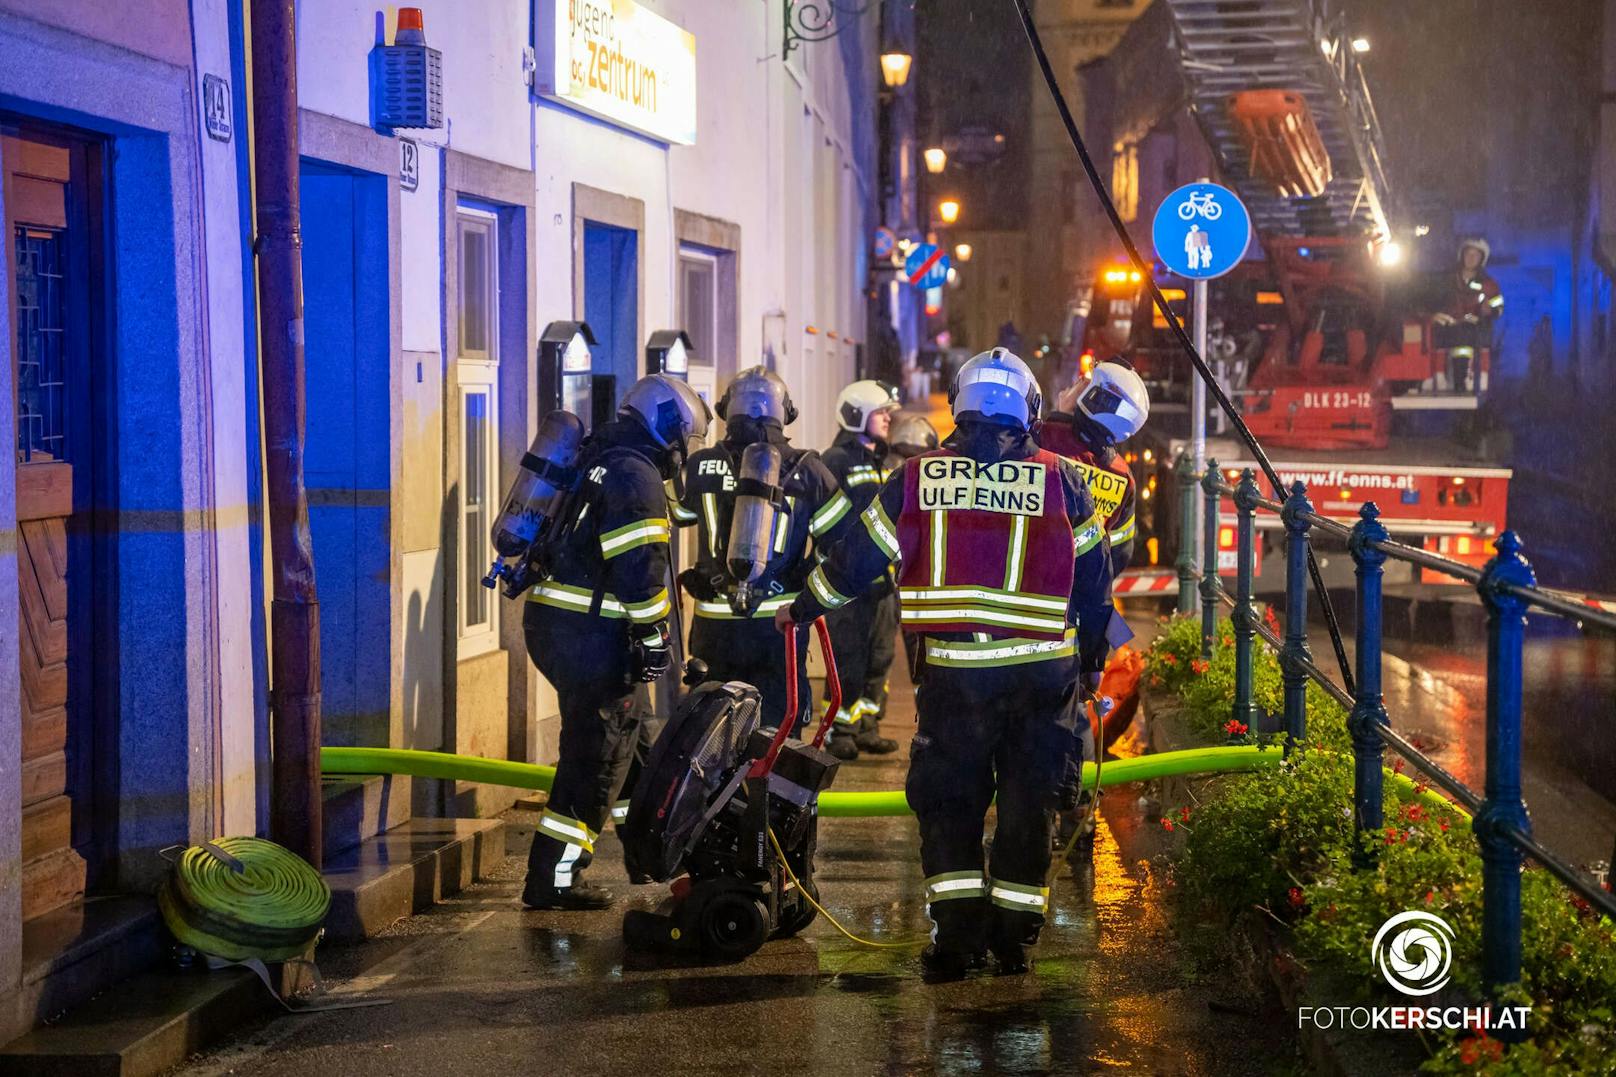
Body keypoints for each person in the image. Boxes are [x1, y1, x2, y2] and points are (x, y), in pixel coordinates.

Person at [778, 348, 1116, 980]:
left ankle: (957, 942)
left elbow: (859, 557)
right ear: (1030, 410)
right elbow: (1095, 586)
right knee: (1029, 804)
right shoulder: (1063, 480)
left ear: (960, 408)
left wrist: (801, 607)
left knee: (950, 802)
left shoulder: (915, 478)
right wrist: (1096, 662)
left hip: (956, 675)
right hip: (1045, 679)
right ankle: (1014, 941)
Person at [521, 374, 711, 910]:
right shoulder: (635, 474)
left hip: (560, 625)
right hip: (593, 634)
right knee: (598, 757)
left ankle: (650, 854)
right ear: (666, 424)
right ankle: (554, 878)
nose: (683, 450)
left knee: (638, 748)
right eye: (684, 436)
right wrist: (655, 635)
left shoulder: (599, 455)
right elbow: (639, 569)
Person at [676, 367, 854, 732]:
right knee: (777, 731)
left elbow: (677, 513)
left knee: (710, 729)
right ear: (785, 413)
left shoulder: (700, 465)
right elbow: (841, 544)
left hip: (714, 626)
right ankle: (767, 788)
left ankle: (718, 790)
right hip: (779, 625)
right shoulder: (810, 470)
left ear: (727, 411)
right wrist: (805, 580)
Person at [820, 380, 903, 760]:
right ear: (857, 416)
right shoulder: (836, 460)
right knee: (847, 658)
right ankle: (840, 731)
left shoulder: (881, 460)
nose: (888, 418)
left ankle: (868, 725)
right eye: (880, 412)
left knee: (880, 657)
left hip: (882, 583)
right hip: (849, 584)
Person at [1033, 358, 1149, 574]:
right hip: (1081, 597)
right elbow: (1119, 553)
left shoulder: (1039, 441)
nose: (1076, 382)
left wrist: (1060, 417)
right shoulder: (1122, 475)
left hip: (1031, 584)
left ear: (1093, 400)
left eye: (1086, 383)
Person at [1433, 237, 1503, 392]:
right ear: (1462, 256)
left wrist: (1489, 310)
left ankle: (1460, 380)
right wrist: (1436, 314)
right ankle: (1434, 378)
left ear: (1481, 259)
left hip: (1475, 328)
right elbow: (1435, 300)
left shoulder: (1488, 284)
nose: (1471, 258)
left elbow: (1499, 308)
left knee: (1463, 336)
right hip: (1448, 324)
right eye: (1468, 254)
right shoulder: (1448, 279)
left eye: (1475, 255)